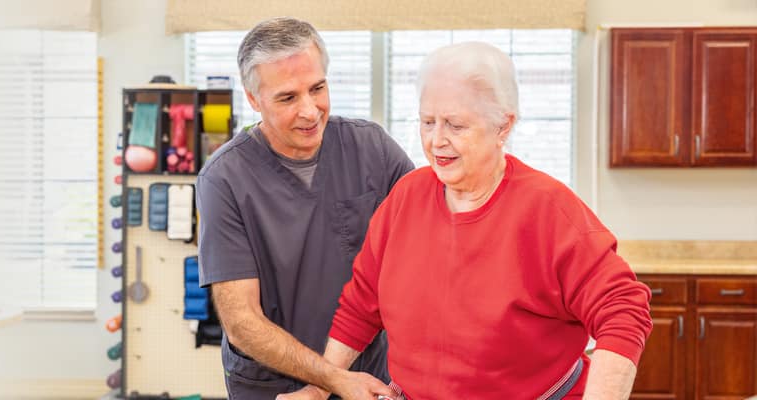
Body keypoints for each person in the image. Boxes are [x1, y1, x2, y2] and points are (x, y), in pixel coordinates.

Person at [279, 42, 653, 400]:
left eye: (455, 126)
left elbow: (624, 310)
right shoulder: (406, 198)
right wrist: (321, 387)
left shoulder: (547, 208)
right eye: (427, 122)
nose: (436, 140)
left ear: (503, 127)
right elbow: (361, 305)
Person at [195, 17, 414, 400]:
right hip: (272, 386)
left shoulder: (373, 150)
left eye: (318, 88)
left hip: (370, 376)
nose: (311, 111)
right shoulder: (223, 179)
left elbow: (433, 242)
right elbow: (242, 322)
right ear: (253, 99)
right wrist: (330, 381)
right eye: (288, 97)